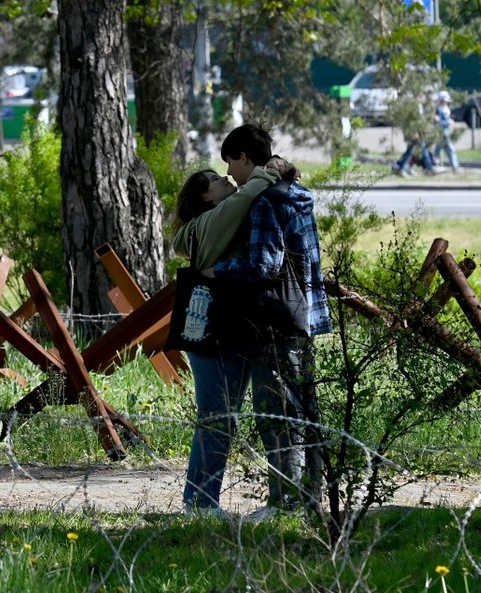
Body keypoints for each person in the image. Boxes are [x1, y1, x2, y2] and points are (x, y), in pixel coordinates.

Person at [207, 122, 332, 520]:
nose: (230, 175)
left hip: (274, 324)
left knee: (275, 412)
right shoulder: (299, 194)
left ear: (245, 157)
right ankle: (312, 497)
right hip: (306, 315)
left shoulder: (264, 203)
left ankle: (283, 503)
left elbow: (263, 266)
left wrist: (219, 270)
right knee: (305, 409)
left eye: (231, 165)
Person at [170, 158, 294, 516]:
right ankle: (199, 502)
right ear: (205, 199)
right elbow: (243, 199)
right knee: (216, 415)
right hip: (210, 327)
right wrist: (266, 173)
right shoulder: (209, 222)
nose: (223, 178)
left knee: (224, 415)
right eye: (213, 179)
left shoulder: (217, 221)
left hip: (232, 327)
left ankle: (203, 500)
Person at [434, 91, 461, 172]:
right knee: (442, 149)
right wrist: (448, 122)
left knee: (446, 149)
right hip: (442, 132)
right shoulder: (439, 110)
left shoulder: (446, 109)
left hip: (447, 132)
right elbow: (438, 121)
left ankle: (454, 166)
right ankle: (435, 164)